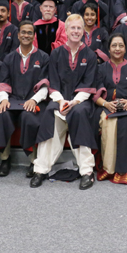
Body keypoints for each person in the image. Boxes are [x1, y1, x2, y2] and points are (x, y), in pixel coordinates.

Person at [30, 15, 98, 190]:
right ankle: (41, 169)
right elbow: (53, 82)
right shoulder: (56, 53)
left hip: (80, 101)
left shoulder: (90, 55)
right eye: (72, 28)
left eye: (79, 28)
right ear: (66, 31)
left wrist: (74, 102)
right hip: (59, 99)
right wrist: (61, 101)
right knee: (51, 115)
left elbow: (89, 84)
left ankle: (86, 171)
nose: (76, 31)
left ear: (83, 31)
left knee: (79, 114)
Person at [0, 21, 50, 177]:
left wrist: (34, 100)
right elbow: (3, 82)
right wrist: (4, 99)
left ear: (34, 36)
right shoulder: (9, 58)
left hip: (34, 101)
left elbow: (45, 85)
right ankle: (5, 159)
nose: (26, 35)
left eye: (29, 32)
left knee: (28, 117)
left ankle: (33, 161)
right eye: (23, 32)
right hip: (13, 100)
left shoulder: (43, 57)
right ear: (18, 35)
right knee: (2, 114)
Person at [93, 34, 127, 184]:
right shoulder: (100, 69)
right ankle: (109, 168)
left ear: (125, 48)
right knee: (109, 122)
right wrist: (106, 104)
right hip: (106, 107)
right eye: (114, 45)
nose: (117, 49)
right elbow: (94, 93)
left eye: (121, 46)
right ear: (108, 49)